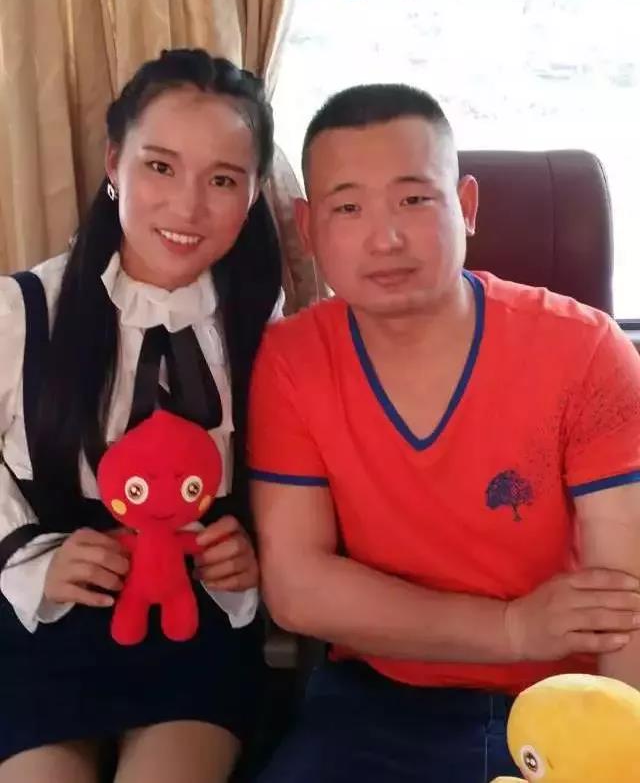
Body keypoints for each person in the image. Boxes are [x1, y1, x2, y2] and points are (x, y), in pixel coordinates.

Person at [248, 83, 640, 782]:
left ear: (466, 205)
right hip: (377, 700)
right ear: (307, 230)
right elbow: (298, 585)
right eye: (348, 208)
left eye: (414, 199)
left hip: (561, 700)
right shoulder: (291, 360)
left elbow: (625, 601)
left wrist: (617, 748)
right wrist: (511, 628)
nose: (386, 238)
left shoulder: (584, 350)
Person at [0, 49, 282, 783]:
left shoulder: (266, 325)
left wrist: (255, 551)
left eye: (222, 180)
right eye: (160, 167)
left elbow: (301, 479)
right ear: (113, 163)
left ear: (254, 192)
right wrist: (32, 559)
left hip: (200, 620)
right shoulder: (20, 311)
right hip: (44, 616)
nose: (187, 208)